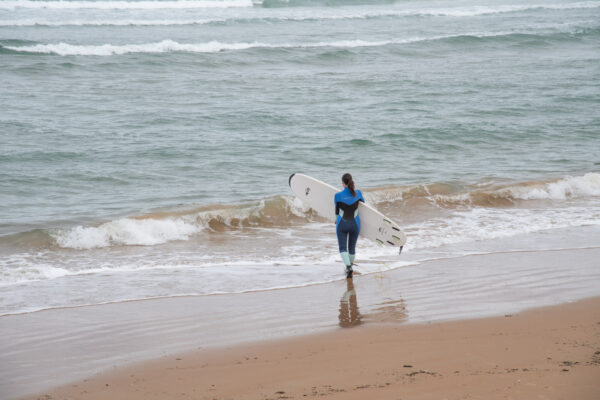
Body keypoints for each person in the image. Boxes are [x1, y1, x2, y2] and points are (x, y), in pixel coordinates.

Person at [334, 173, 365, 278]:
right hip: (355, 225)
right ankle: (350, 266)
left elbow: (337, 212)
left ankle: (348, 267)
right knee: (352, 248)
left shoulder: (337, 196)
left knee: (343, 248)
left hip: (342, 224)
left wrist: (335, 220)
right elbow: (364, 205)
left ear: (343, 183)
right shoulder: (358, 193)